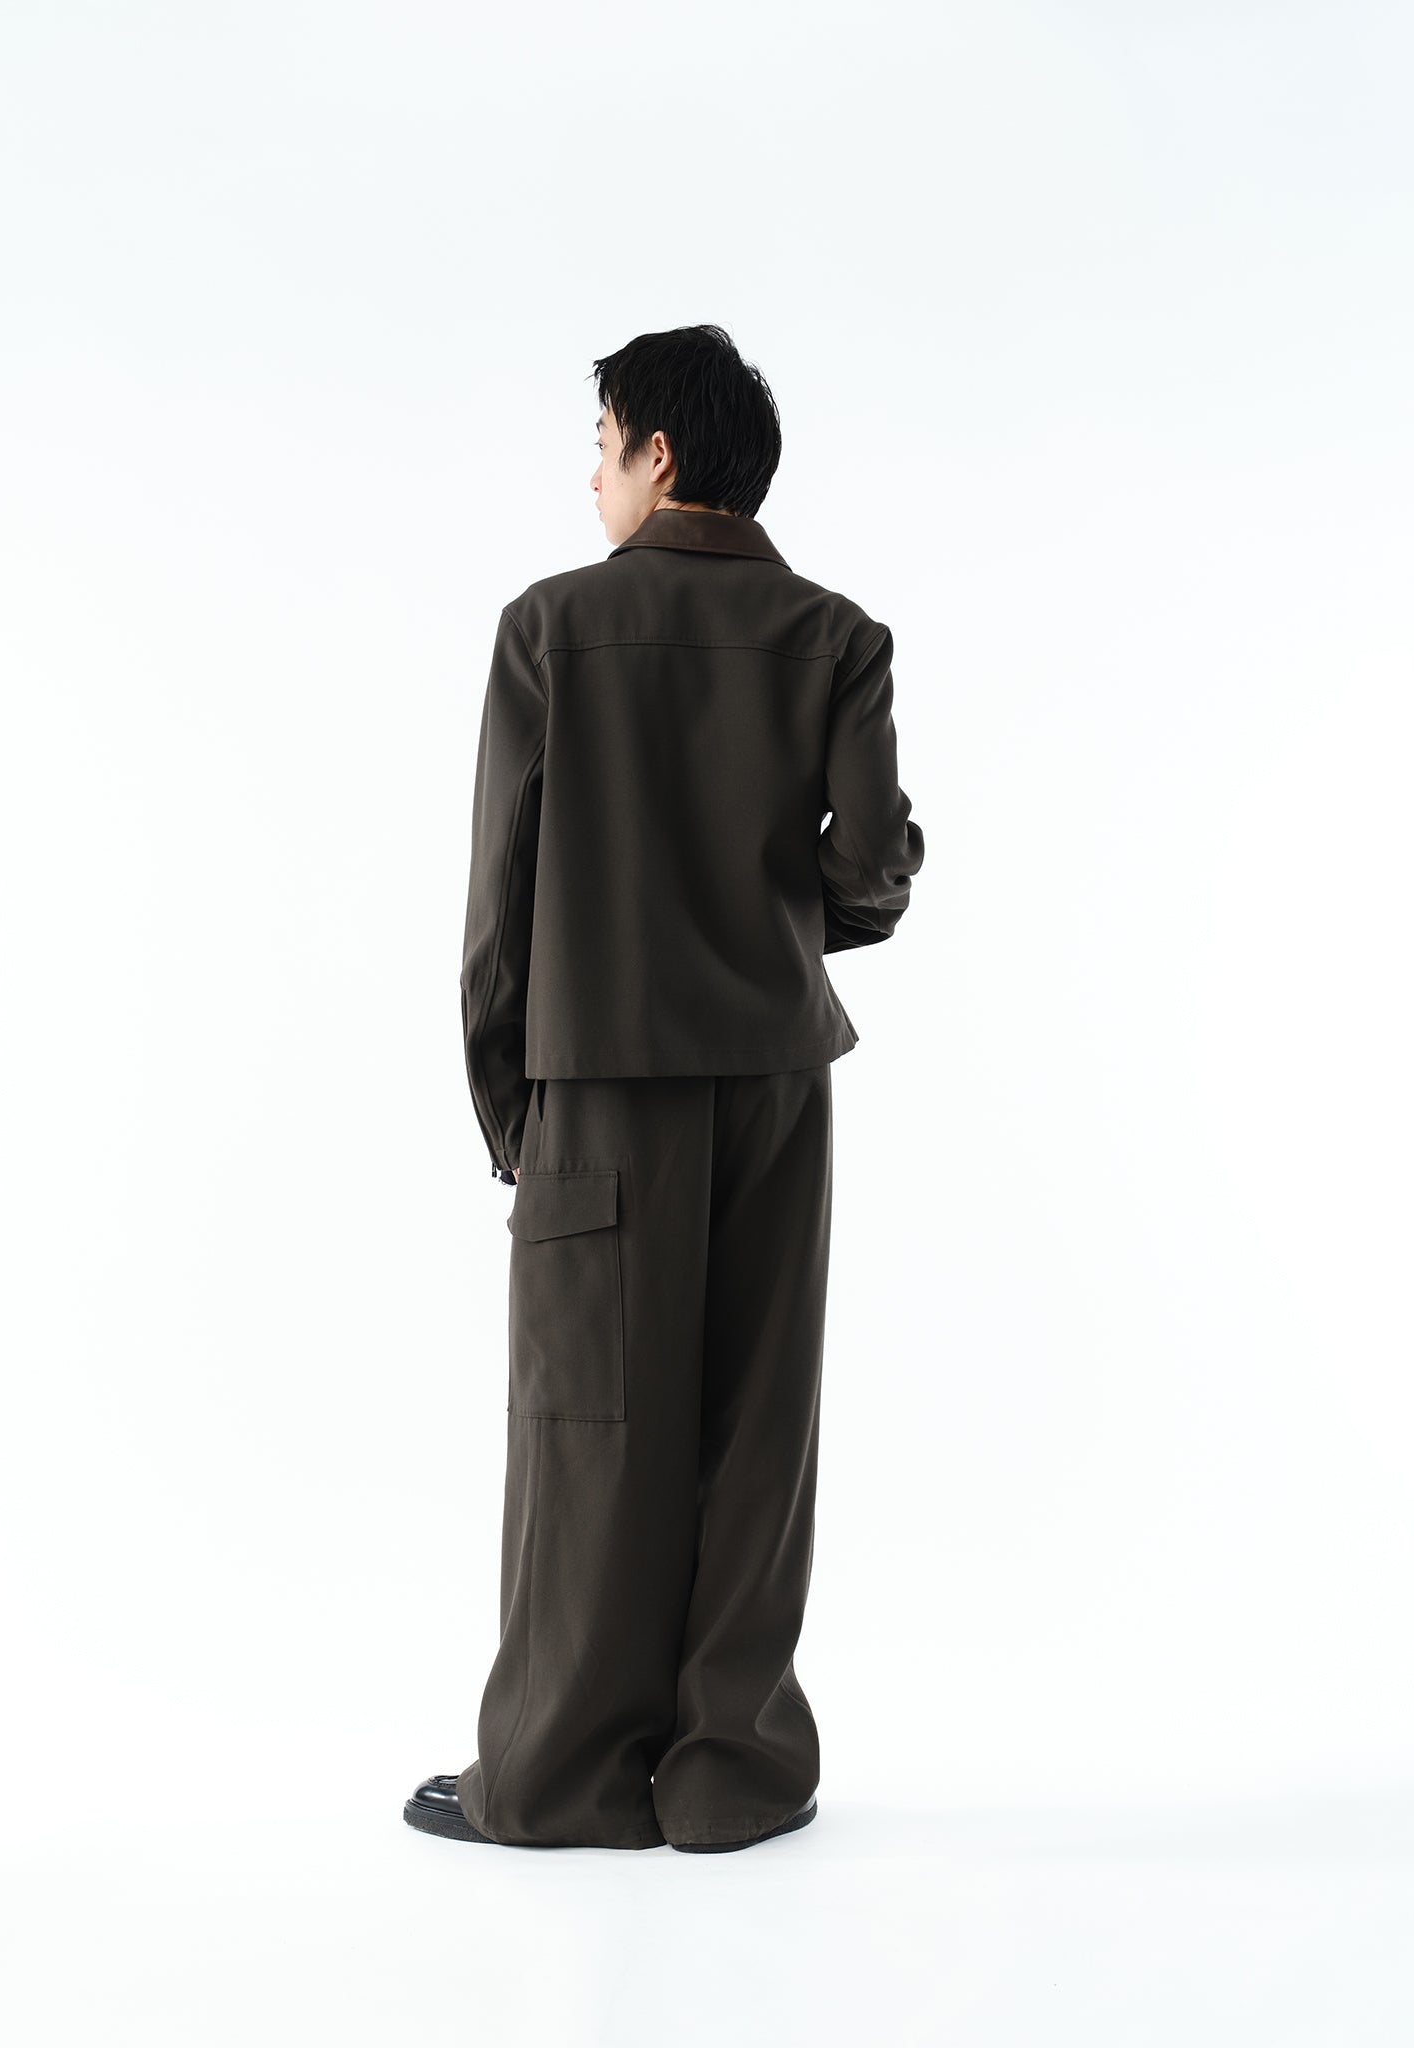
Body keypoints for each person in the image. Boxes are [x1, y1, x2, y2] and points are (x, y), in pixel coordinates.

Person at [405, 324, 924, 1852]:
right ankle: (726, 1778)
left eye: (602, 444)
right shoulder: (838, 638)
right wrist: (776, 913)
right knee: (758, 1425)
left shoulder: (551, 629)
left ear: (661, 453)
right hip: (774, 1081)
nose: (592, 478)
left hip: (600, 1086)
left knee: (590, 1429)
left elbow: (501, 897)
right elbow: (870, 871)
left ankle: (560, 1777)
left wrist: (507, 1105)